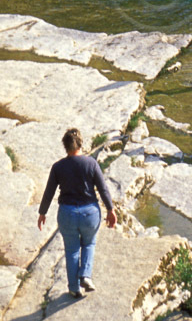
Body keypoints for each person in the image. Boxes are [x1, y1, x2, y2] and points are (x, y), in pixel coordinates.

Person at [37, 127, 117, 298]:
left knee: (72, 250)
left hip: (67, 213)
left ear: (65, 146)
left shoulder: (58, 167)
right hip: (90, 213)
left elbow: (49, 193)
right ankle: (86, 275)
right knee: (89, 244)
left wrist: (42, 213)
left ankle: (74, 288)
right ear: (81, 143)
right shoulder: (91, 164)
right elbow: (103, 189)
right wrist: (110, 209)